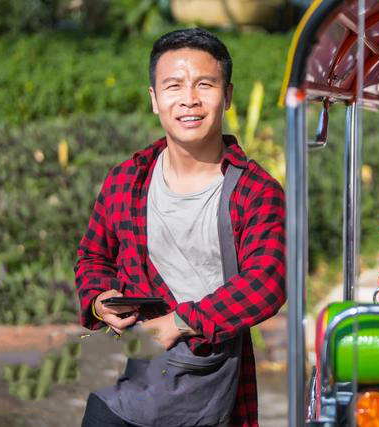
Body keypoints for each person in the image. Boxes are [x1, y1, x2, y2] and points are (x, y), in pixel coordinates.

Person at [74, 28, 286, 426]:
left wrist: (177, 324)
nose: (189, 99)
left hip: (215, 378)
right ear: (154, 99)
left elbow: (267, 283)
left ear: (227, 95)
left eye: (204, 84)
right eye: (173, 86)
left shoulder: (255, 191)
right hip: (145, 375)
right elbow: (92, 256)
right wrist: (101, 299)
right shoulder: (127, 180)